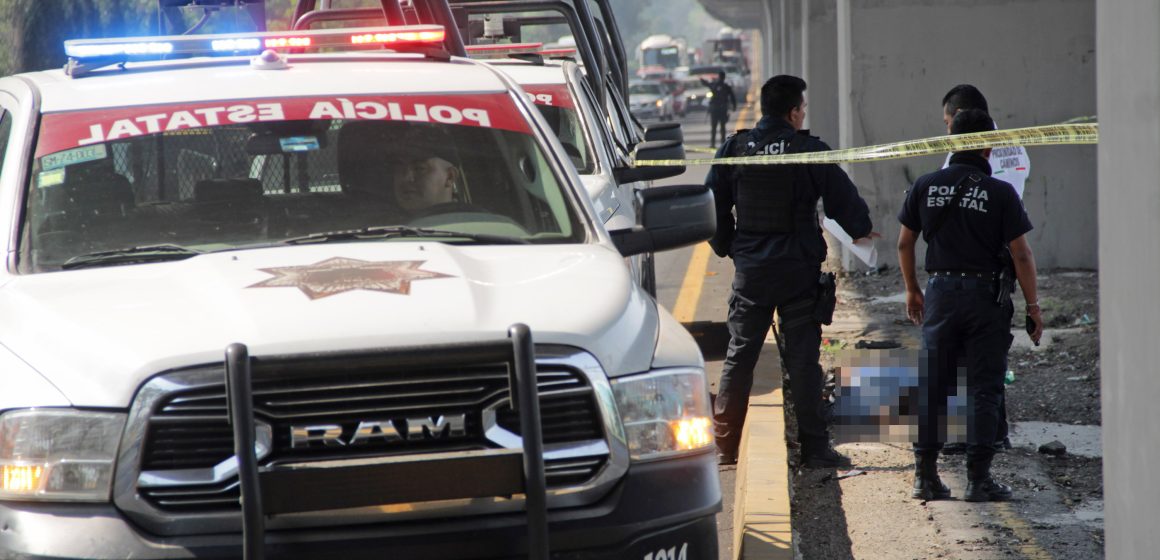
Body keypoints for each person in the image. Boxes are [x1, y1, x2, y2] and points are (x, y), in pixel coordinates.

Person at [706, 75, 878, 467]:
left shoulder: (735, 148)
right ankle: (815, 450)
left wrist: (731, 247)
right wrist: (862, 230)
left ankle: (725, 448)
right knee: (802, 362)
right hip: (798, 272)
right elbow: (844, 204)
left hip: (752, 271)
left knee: (740, 357)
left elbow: (711, 206)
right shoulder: (808, 151)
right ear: (793, 112)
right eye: (802, 109)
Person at [896, 108, 1044, 502]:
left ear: (951, 142)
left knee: (934, 385)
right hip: (985, 298)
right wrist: (1033, 306)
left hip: (940, 295)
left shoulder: (927, 184)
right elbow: (1022, 255)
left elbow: (904, 242)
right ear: (987, 145)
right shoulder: (1000, 193)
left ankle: (925, 478)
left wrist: (912, 289)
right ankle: (979, 480)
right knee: (984, 386)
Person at [938, 84, 1030, 455]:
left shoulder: (963, 153)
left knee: (966, 350)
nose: (945, 131)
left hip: (973, 259)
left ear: (960, 118)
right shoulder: (1016, 146)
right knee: (990, 352)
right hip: (1000, 256)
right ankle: (994, 430)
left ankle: (977, 434)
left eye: (947, 122)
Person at [702, 71, 737, 148]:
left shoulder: (714, 85)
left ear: (719, 77)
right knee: (722, 127)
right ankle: (723, 144)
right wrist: (734, 106)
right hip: (722, 109)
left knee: (714, 127)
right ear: (724, 77)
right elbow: (732, 97)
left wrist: (702, 80)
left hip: (714, 109)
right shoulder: (726, 86)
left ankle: (713, 144)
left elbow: (706, 84)